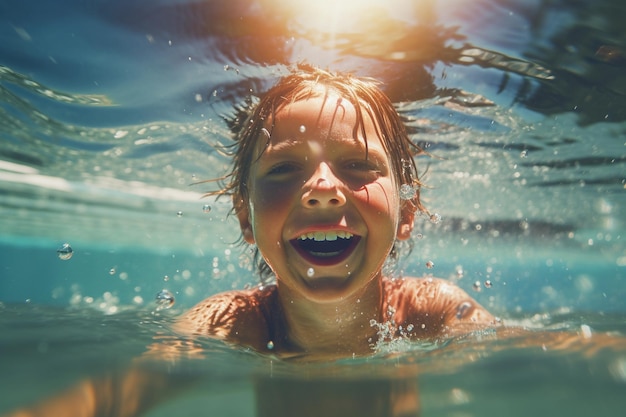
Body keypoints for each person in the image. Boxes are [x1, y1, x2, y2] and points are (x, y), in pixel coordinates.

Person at [174, 64, 498, 357]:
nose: (323, 189)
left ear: (407, 210)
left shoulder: (431, 310)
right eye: (284, 167)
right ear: (246, 216)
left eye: (357, 164)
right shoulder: (230, 321)